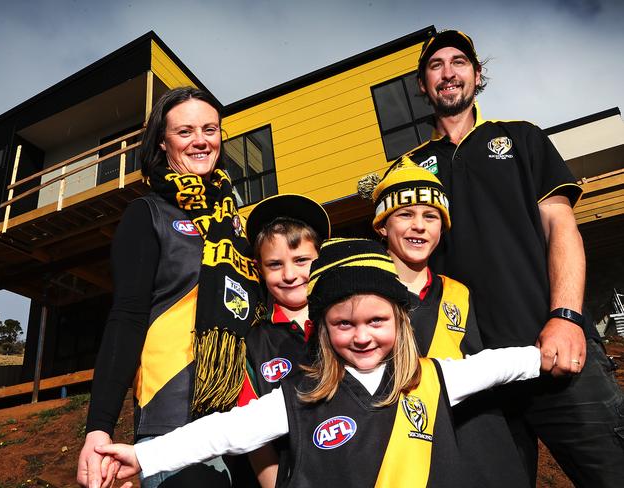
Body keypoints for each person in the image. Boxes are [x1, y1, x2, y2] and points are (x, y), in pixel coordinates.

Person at [95, 238, 543, 488]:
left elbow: (498, 365)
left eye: (376, 320)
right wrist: (142, 455)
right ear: (324, 329)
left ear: (400, 320)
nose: (362, 335)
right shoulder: (301, 398)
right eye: (344, 324)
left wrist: (544, 355)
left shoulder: (436, 377)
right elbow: (224, 431)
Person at [390, 30, 624, 486]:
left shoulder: (521, 138)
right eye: (435, 66)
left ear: (476, 76)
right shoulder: (410, 169)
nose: (448, 72)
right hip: (473, 377)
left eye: (459, 62)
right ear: (423, 85)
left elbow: (561, 227)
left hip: (553, 352)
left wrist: (567, 316)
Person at [76, 87, 264, 488]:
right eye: (185, 131)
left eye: (210, 129)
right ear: (163, 142)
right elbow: (126, 318)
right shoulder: (148, 214)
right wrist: (99, 427)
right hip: (173, 418)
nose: (200, 140)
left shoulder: (236, 224)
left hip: (250, 418)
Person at [358, 162, 529, 486]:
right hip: (403, 454)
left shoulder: (460, 293)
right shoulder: (362, 297)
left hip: (481, 449)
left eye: (431, 216)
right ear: (381, 225)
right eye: (405, 214)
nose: (419, 226)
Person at [235, 193, 330, 487]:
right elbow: (253, 438)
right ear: (259, 270)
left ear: (321, 257)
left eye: (301, 260)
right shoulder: (252, 342)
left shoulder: (350, 321)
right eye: (275, 264)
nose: (290, 275)